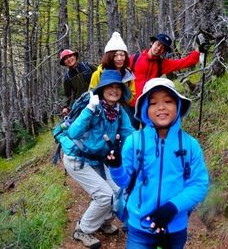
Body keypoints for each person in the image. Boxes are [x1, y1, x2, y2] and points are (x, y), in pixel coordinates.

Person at [105, 77, 209, 249]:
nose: (161, 107)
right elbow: (124, 182)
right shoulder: (134, 141)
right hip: (140, 228)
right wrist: (116, 166)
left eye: (168, 101)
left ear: (178, 106)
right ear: (146, 110)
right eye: (153, 103)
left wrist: (173, 207)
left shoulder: (190, 145)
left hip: (175, 228)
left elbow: (199, 184)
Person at [59, 69, 135, 248]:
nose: (114, 90)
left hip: (99, 159)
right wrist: (89, 109)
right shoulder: (93, 107)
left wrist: (148, 143)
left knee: (119, 191)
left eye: (118, 87)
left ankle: (103, 222)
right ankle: (82, 230)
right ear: (102, 89)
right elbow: (73, 132)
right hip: (78, 159)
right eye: (110, 86)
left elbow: (130, 134)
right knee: (104, 196)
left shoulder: (118, 110)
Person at [129, 33, 206, 109]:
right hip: (130, 104)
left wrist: (198, 51)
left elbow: (184, 62)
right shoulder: (135, 58)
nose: (159, 48)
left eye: (163, 48)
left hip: (148, 106)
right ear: (152, 43)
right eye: (158, 44)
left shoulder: (161, 64)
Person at [89, 31, 136, 125]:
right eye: (115, 55)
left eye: (122, 55)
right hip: (103, 114)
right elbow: (91, 94)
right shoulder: (98, 74)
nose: (119, 58)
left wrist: (122, 99)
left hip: (124, 112)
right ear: (109, 57)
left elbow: (132, 94)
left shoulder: (128, 74)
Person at [60, 49, 96, 117]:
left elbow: (101, 74)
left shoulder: (88, 66)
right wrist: (65, 107)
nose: (69, 59)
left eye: (70, 56)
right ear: (64, 63)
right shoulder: (67, 77)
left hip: (96, 97)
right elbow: (67, 95)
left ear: (75, 56)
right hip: (81, 103)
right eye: (65, 59)